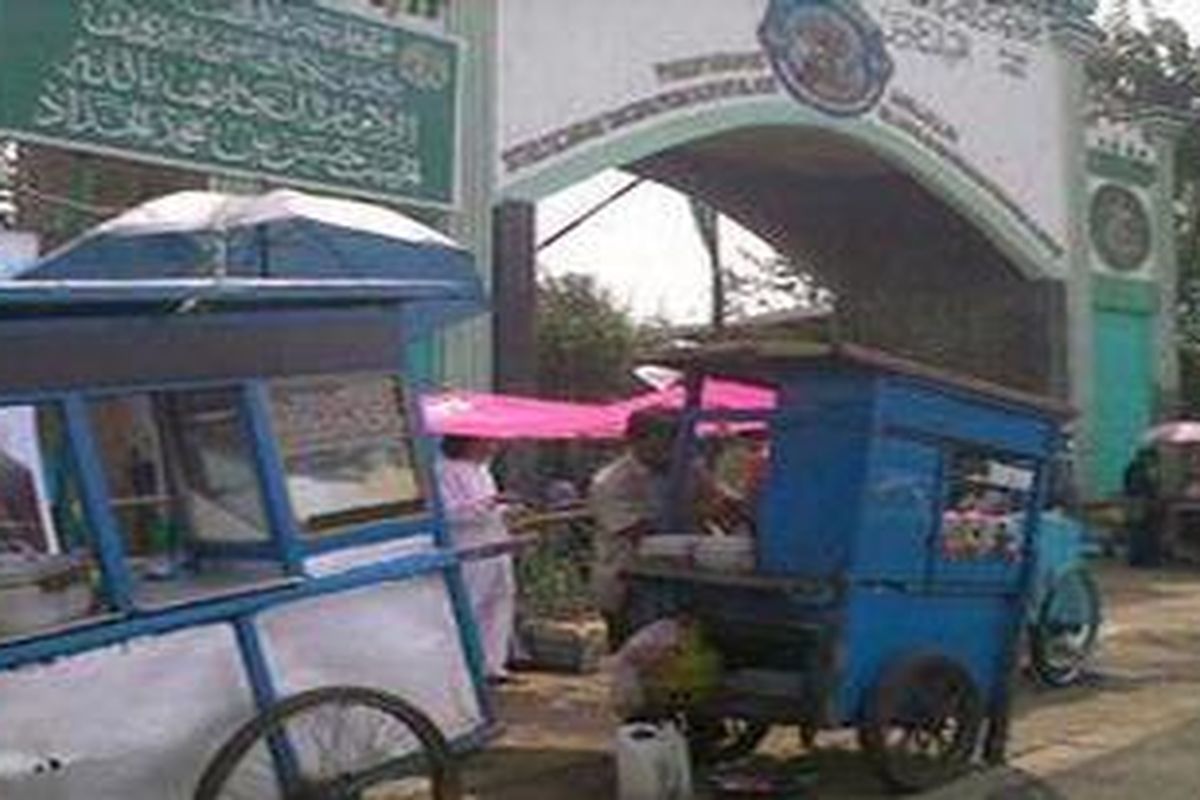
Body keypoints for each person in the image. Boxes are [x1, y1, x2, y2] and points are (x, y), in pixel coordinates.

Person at [436, 435, 517, 683]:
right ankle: (467, 663)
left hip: (495, 543)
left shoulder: (483, 471)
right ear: (470, 443)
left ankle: (493, 665)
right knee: (472, 603)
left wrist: (504, 509)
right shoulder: (443, 471)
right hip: (468, 547)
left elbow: (489, 509)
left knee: (500, 600)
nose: (494, 446)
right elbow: (450, 514)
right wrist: (489, 504)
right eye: (488, 442)